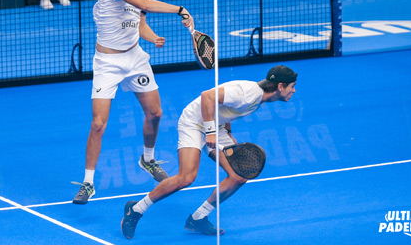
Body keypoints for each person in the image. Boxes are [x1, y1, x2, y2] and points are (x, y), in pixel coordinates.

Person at [72, 0, 195, 205]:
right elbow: (146, 6)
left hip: (135, 58)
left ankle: (148, 160)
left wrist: (152, 38)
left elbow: (140, 22)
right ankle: (89, 182)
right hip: (107, 63)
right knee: (98, 124)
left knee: (155, 113)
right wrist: (180, 10)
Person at [121, 65, 298, 238]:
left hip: (215, 125)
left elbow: (225, 108)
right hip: (194, 122)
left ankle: (198, 218)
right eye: (292, 86)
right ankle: (136, 209)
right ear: (280, 86)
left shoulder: (258, 99)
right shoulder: (249, 93)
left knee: (239, 175)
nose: (294, 90)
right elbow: (207, 97)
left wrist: (227, 133)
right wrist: (211, 132)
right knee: (186, 177)